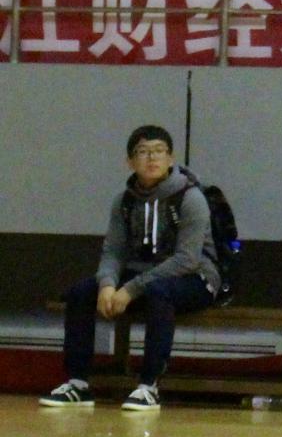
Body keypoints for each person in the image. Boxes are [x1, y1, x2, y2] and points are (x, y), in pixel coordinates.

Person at [41, 126, 221, 414]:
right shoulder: (124, 201)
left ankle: (149, 386)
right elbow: (114, 251)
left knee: (159, 293)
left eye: (159, 151)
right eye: (143, 152)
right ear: (130, 161)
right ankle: (78, 383)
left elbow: (186, 259)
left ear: (171, 158)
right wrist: (107, 284)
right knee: (81, 292)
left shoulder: (190, 198)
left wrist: (130, 289)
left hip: (194, 278)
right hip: (143, 275)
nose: (152, 158)